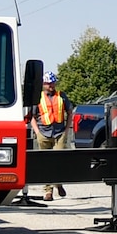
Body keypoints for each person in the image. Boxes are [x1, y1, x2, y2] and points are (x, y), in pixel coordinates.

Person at [32, 71, 71, 200]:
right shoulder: (38, 97)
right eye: (48, 84)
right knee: (45, 163)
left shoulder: (61, 96)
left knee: (58, 161)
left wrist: (66, 130)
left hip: (59, 133)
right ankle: (48, 191)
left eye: (52, 83)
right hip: (43, 133)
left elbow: (70, 112)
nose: (51, 86)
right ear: (43, 84)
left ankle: (58, 183)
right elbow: (31, 117)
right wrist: (37, 132)